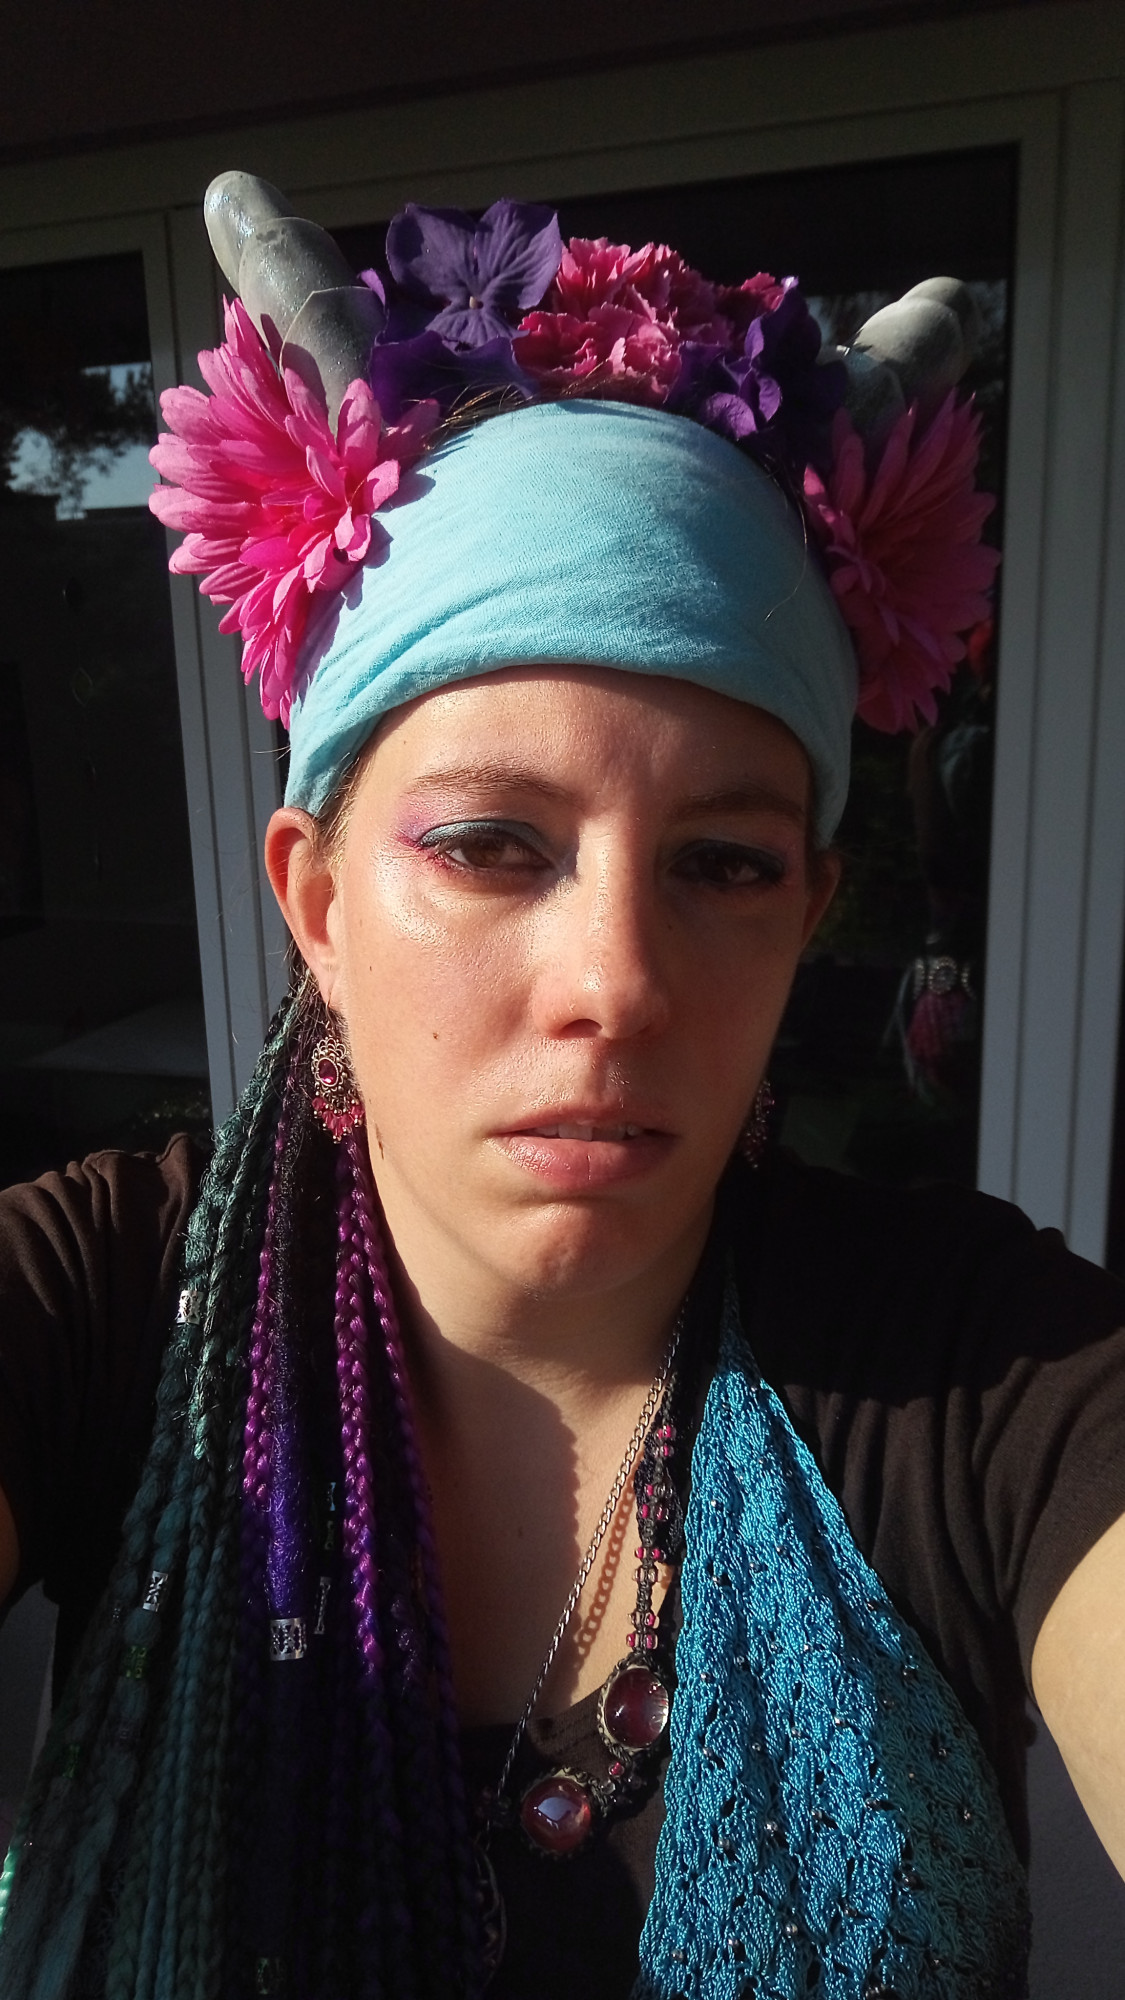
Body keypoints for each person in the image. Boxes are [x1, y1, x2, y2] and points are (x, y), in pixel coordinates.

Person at [0, 173, 1122, 2000]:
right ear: (316, 902)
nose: (614, 982)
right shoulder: (103, 1309)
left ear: (807, 910)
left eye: (723, 864)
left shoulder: (983, 1380)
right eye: (491, 845)